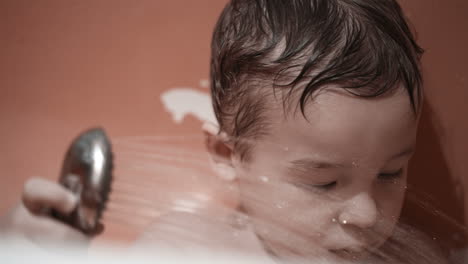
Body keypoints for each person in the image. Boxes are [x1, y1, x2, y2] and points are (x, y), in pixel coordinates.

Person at [1, 0, 446, 263]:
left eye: (391, 173)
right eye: (323, 181)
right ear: (227, 155)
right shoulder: (187, 249)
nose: (368, 214)